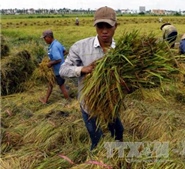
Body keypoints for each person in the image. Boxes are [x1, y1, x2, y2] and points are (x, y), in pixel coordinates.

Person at [59, 6, 124, 150]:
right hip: (89, 103)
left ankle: (119, 156)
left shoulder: (122, 51)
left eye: (108, 26)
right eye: (100, 26)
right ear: (95, 26)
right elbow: (63, 70)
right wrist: (83, 69)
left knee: (118, 133)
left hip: (110, 103)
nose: (104, 31)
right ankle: (96, 161)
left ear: (116, 26)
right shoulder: (80, 47)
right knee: (96, 140)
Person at [39, 30, 70, 104]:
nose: (44, 40)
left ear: (49, 37)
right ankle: (45, 100)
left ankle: (68, 101)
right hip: (58, 69)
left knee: (62, 87)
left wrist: (50, 63)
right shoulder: (56, 43)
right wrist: (60, 56)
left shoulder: (54, 47)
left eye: (45, 38)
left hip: (58, 70)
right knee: (51, 83)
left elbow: (58, 59)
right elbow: (65, 51)